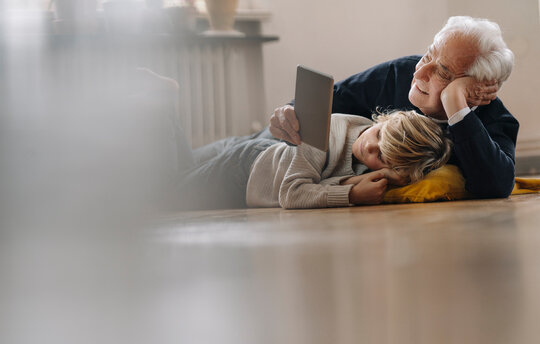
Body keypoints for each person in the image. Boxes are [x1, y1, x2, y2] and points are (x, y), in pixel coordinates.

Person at [269, 16, 518, 199]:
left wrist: (457, 107)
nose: (419, 72)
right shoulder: (400, 72)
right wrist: (289, 112)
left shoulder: (496, 119)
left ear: (475, 89)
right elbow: (330, 100)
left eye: (442, 72)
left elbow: (496, 185)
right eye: (428, 56)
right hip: (280, 154)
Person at [174, 110, 451, 210]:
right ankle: (164, 105)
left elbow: (320, 181)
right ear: (383, 119)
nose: (368, 145)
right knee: (165, 194)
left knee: (178, 177)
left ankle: (165, 111)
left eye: (380, 156)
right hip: (243, 173)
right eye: (378, 133)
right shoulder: (327, 133)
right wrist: (351, 193)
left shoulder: (380, 163)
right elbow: (292, 194)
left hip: (257, 165)